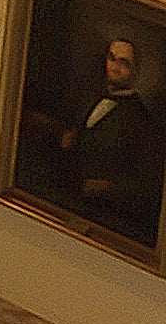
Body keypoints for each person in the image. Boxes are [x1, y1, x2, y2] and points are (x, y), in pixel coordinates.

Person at [62, 31, 166, 247]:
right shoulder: (92, 98)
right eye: (111, 58)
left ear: (136, 71)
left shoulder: (141, 119)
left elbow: (146, 181)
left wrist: (108, 188)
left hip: (106, 215)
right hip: (71, 200)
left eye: (124, 62)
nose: (114, 67)